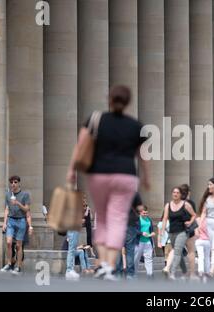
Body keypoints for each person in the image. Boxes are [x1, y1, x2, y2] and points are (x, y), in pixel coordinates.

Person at [66, 85, 150, 281]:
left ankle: (103, 263)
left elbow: (80, 146)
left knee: (102, 217)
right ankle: (111, 266)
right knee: (118, 219)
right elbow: (143, 156)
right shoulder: (136, 125)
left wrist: (71, 170)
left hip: (99, 175)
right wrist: (146, 178)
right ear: (128, 102)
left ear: (109, 99)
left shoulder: (96, 119)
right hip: (126, 176)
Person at [161, 187, 196, 280]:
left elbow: (194, 215)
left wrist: (190, 222)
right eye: (174, 192)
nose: (175, 194)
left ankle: (172, 273)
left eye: (177, 192)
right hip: (172, 232)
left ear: (180, 195)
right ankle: (184, 271)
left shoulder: (185, 204)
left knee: (177, 251)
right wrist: (162, 231)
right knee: (178, 253)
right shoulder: (168, 205)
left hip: (183, 231)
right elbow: (165, 218)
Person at [0, 175, 31, 275]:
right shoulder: (8, 194)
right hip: (11, 220)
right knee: (9, 242)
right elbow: (6, 209)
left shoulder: (25, 194)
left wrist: (17, 203)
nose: (13, 184)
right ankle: (9, 264)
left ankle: (18, 266)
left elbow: (27, 209)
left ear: (19, 183)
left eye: (15, 182)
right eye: (12, 182)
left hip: (21, 220)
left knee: (18, 245)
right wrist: (4, 223)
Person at [116, 192, 144, 279]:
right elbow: (140, 208)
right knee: (130, 250)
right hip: (130, 224)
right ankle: (130, 273)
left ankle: (118, 272)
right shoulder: (134, 193)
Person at [180, 184, 198, 280]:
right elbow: (194, 216)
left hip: (178, 229)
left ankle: (184, 272)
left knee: (176, 251)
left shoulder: (175, 202)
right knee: (191, 251)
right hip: (189, 229)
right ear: (188, 193)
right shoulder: (190, 203)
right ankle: (192, 274)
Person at [134, 205, 155, 278]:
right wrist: (141, 233)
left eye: (146, 213)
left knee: (149, 258)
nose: (146, 214)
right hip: (139, 241)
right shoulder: (136, 220)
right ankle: (134, 274)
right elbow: (133, 230)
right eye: (144, 213)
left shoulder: (149, 219)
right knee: (136, 259)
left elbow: (151, 229)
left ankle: (150, 274)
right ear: (140, 213)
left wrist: (152, 233)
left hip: (148, 241)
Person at [194, 216, 210, 281]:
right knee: (207, 257)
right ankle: (207, 271)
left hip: (199, 240)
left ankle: (200, 271)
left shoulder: (197, 219)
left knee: (201, 256)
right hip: (207, 241)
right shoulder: (209, 220)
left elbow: (196, 233)